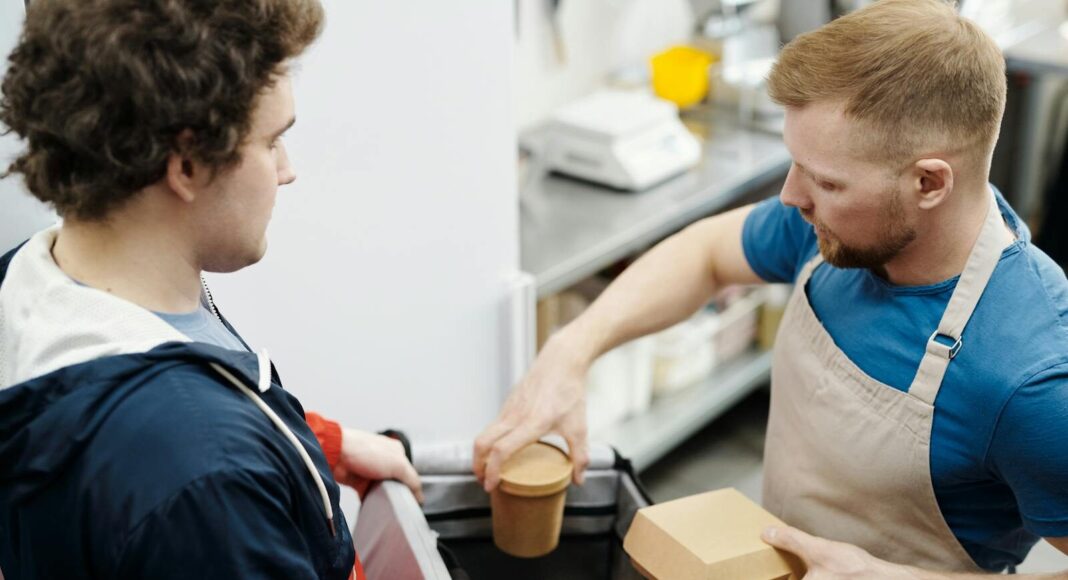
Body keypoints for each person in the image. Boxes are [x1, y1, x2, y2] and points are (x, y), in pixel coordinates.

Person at [475, 0, 1068, 576]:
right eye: (797, 165)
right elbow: (706, 253)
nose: (792, 197)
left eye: (827, 182)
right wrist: (569, 352)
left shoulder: (1029, 376)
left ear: (930, 182)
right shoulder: (836, 225)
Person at [0, 0, 421, 578]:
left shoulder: (30, 282)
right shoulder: (204, 484)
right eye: (272, 141)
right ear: (189, 164)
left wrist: (318, 443)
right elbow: (186, 472)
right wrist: (238, 466)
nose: (286, 169)